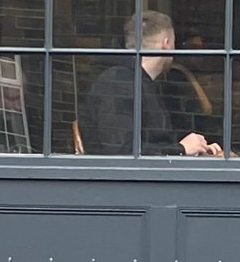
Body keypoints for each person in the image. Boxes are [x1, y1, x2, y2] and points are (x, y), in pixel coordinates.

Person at [80, 11, 223, 156]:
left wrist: (194, 147)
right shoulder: (118, 82)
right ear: (166, 43)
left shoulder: (134, 81)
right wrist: (181, 149)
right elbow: (122, 151)